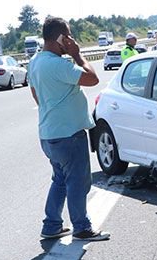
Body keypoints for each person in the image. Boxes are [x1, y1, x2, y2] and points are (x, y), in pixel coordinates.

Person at [28, 17, 109, 241]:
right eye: (69, 36)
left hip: (48, 134)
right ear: (60, 38)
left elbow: (36, 95)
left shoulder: (35, 62)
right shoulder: (58, 64)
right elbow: (92, 79)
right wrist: (76, 55)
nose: (72, 40)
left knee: (60, 180)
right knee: (77, 182)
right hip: (68, 135)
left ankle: (52, 225)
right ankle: (81, 227)